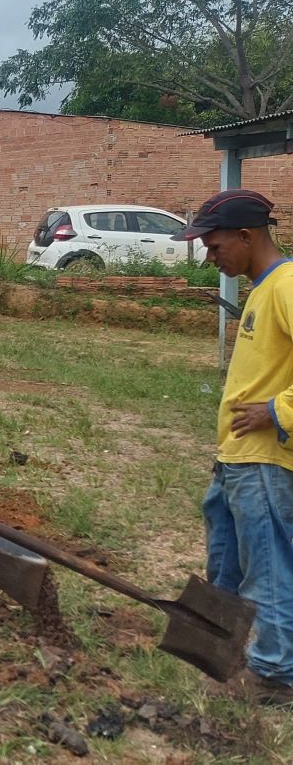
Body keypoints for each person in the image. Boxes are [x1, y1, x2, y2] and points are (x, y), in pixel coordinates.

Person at [174, 189, 293, 704]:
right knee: (226, 561)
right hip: (237, 460)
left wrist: (275, 412)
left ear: (247, 236)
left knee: (267, 566)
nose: (210, 256)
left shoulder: (287, 286)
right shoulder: (261, 289)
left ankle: (273, 675)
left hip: (266, 461)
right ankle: (221, 650)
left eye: (215, 244)